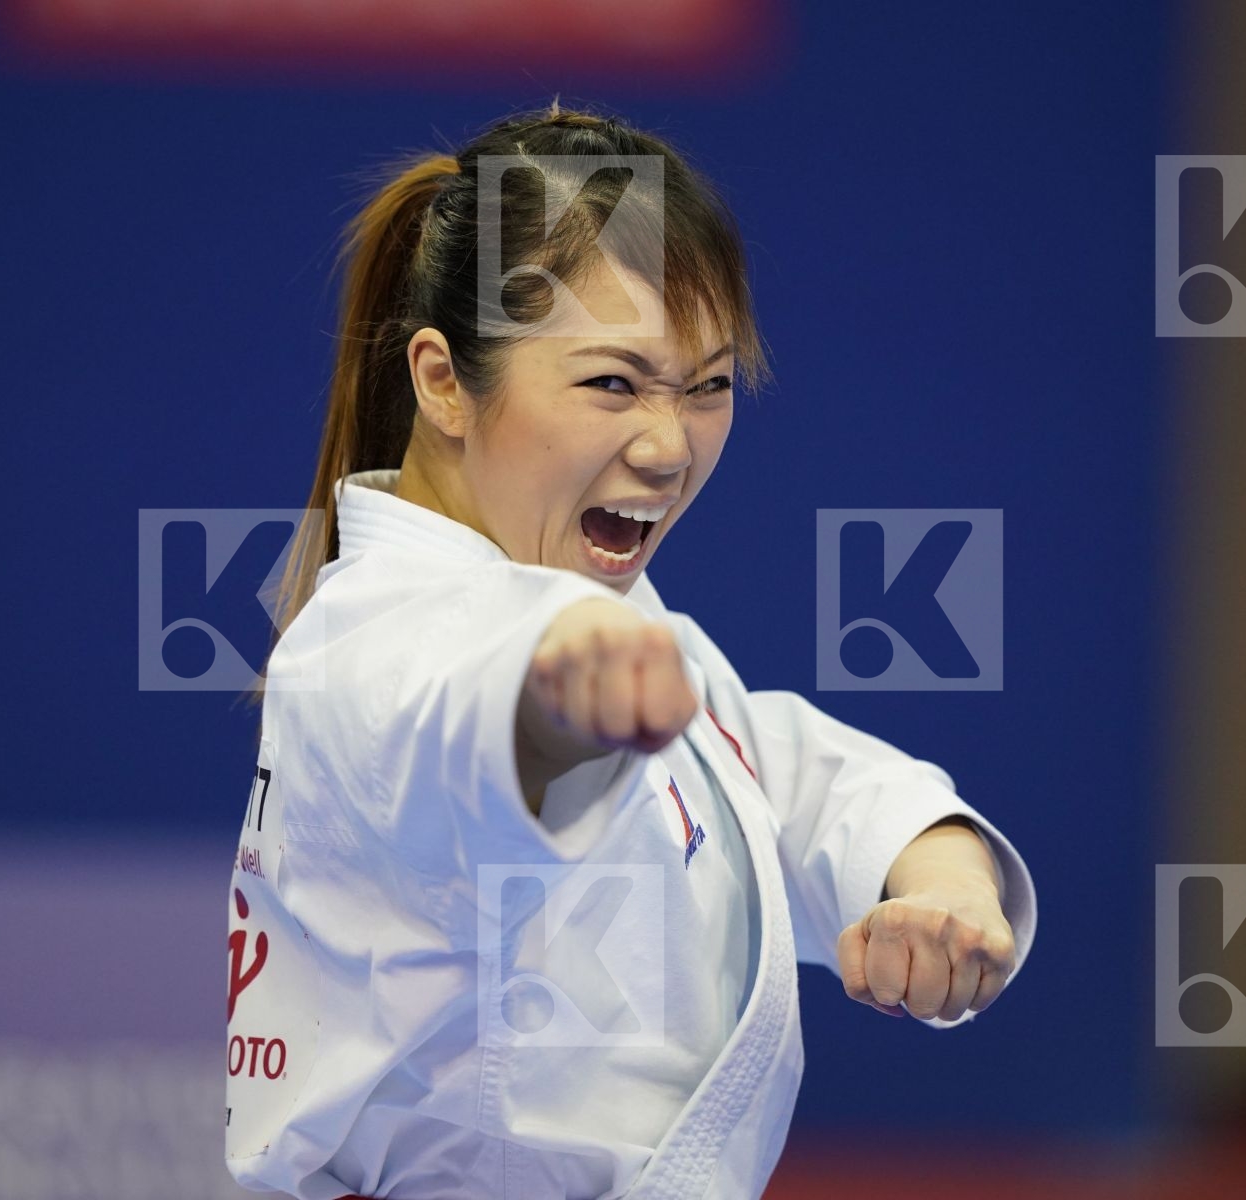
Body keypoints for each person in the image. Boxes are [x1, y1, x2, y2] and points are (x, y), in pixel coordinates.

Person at [225, 101, 1037, 1200]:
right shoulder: (377, 643)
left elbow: (791, 781)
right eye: (612, 382)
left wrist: (941, 884)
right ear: (443, 380)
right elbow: (463, 719)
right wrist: (563, 701)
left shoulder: (608, 615)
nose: (668, 447)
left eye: (708, 387)